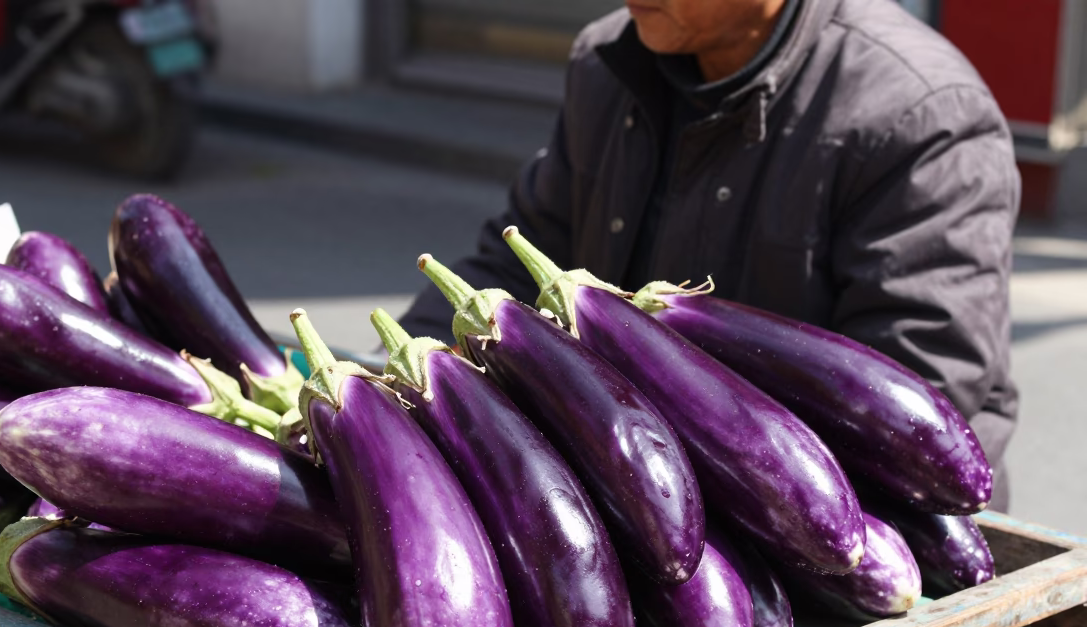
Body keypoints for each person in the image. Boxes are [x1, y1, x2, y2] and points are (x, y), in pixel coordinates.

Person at [398, 0, 1021, 511]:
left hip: (875, 526)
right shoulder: (607, 60)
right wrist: (396, 380)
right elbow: (522, 252)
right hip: (639, 491)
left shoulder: (918, 111)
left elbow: (914, 393)